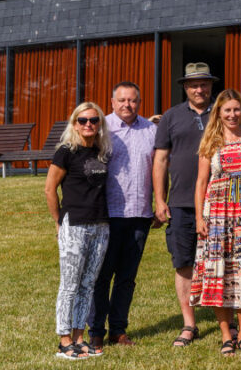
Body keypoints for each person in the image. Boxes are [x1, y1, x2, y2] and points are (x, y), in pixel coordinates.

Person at [191, 89, 241, 357]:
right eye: (227, 110)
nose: (233, 114)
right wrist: (200, 217)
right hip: (216, 215)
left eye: (237, 109)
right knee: (218, 273)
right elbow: (201, 182)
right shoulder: (210, 142)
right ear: (219, 113)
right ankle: (226, 335)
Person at [154, 62, 220, 347]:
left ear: (210, 86)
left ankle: (225, 322)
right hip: (181, 202)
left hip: (220, 203)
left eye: (204, 83)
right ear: (185, 87)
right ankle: (189, 324)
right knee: (183, 264)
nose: (199, 89)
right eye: (193, 84)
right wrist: (159, 199)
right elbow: (160, 159)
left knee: (221, 264)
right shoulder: (171, 117)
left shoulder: (224, 112)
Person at [89, 82, 158, 348]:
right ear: (112, 101)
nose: (127, 105)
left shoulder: (151, 130)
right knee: (102, 276)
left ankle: (118, 329)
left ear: (139, 103)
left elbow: (160, 168)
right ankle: (96, 330)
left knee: (127, 278)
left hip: (140, 213)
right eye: (122, 100)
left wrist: (159, 203)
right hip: (107, 213)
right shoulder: (100, 128)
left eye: (132, 100)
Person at [44, 102, 112, 360]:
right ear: (74, 123)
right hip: (75, 224)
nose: (88, 125)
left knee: (88, 284)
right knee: (70, 285)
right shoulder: (66, 151)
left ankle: (79, 337)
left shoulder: (101, 151)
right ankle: (63, 341)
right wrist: (59, 221)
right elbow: (50, 189)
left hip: (101, 225)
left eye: (94, 120)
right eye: (82, 120)